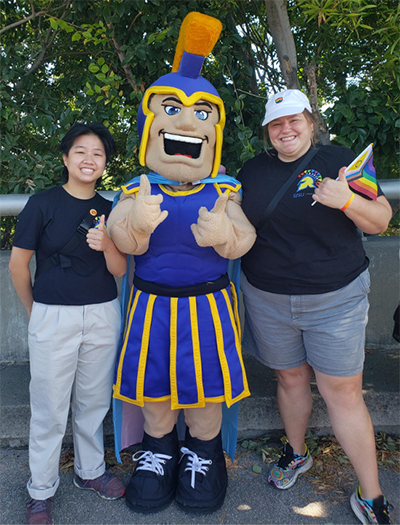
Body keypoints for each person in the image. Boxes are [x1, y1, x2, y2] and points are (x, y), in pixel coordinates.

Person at [107, 12, 256, 515]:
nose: (188, 122)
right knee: (154, 384)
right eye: (173, 109)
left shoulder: (223, 188)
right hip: (151, 307)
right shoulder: (136, 187)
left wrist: (226, 234)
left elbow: (245, 239)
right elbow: (121, 238)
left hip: (210, 307)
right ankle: (159, 452)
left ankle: (204, 454)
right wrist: (137, 224)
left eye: (201, 114)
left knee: (207, 387)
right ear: (151, 126)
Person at [237, 89, 393, 524]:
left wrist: (344, 198)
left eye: (293, 120)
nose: (286, 130)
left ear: (309, 122)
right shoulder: (253, 170)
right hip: (267, 296)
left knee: (341, 392)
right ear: (267, 132)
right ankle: (297, 453)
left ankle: (372, 493)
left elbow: (380, 220)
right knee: (290, 379)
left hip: (336, 298)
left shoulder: (342, 161)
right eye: (276, 124)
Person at [9, 122, 127, 525]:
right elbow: (18, 264)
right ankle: (40, 490)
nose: (89, 159)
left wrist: (108, 242)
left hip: (102, 313)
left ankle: (89, 472)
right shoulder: (42, 203)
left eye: (97, 153)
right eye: (81, 151)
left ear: (105, 162)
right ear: (65, 158)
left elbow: (119, 270)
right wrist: (35, 310)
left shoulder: (111, 209)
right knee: (48, 406)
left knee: (93, 401)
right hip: (51, 314)